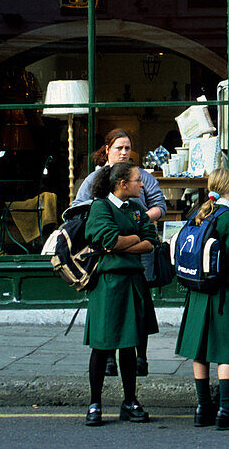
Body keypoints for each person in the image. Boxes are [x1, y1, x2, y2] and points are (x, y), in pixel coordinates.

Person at [73, 128, 166, 378]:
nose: (124, 152)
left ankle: (141, 358)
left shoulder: (142, 177)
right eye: (119, 148)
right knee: (112, 310)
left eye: (127, 148)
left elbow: (160, 206)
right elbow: (77, 209)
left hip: (138, 258)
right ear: (107, 150)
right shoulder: (94, 180)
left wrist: (137, 219)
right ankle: (110, 360)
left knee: (140, 306)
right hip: (108, 260)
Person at [175, 167, 229, 430]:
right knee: (225, 350)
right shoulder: (228, 218)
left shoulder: (200, 211)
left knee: (200, 350)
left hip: (198, 292)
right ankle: (227, 410)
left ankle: (203, 408)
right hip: (223, 292)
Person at [81, 161, 159, 426]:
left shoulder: (137, 209)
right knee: (102, 346)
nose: (142, 184)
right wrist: (132, 239)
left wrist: (128, 242)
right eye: (138, 180)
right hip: (108, 284)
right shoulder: (100, 207)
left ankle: (129, 401)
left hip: (133, 282)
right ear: (122, 184)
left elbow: (151, 242)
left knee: (129, 345)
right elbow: (108, 240)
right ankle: (95, 403)